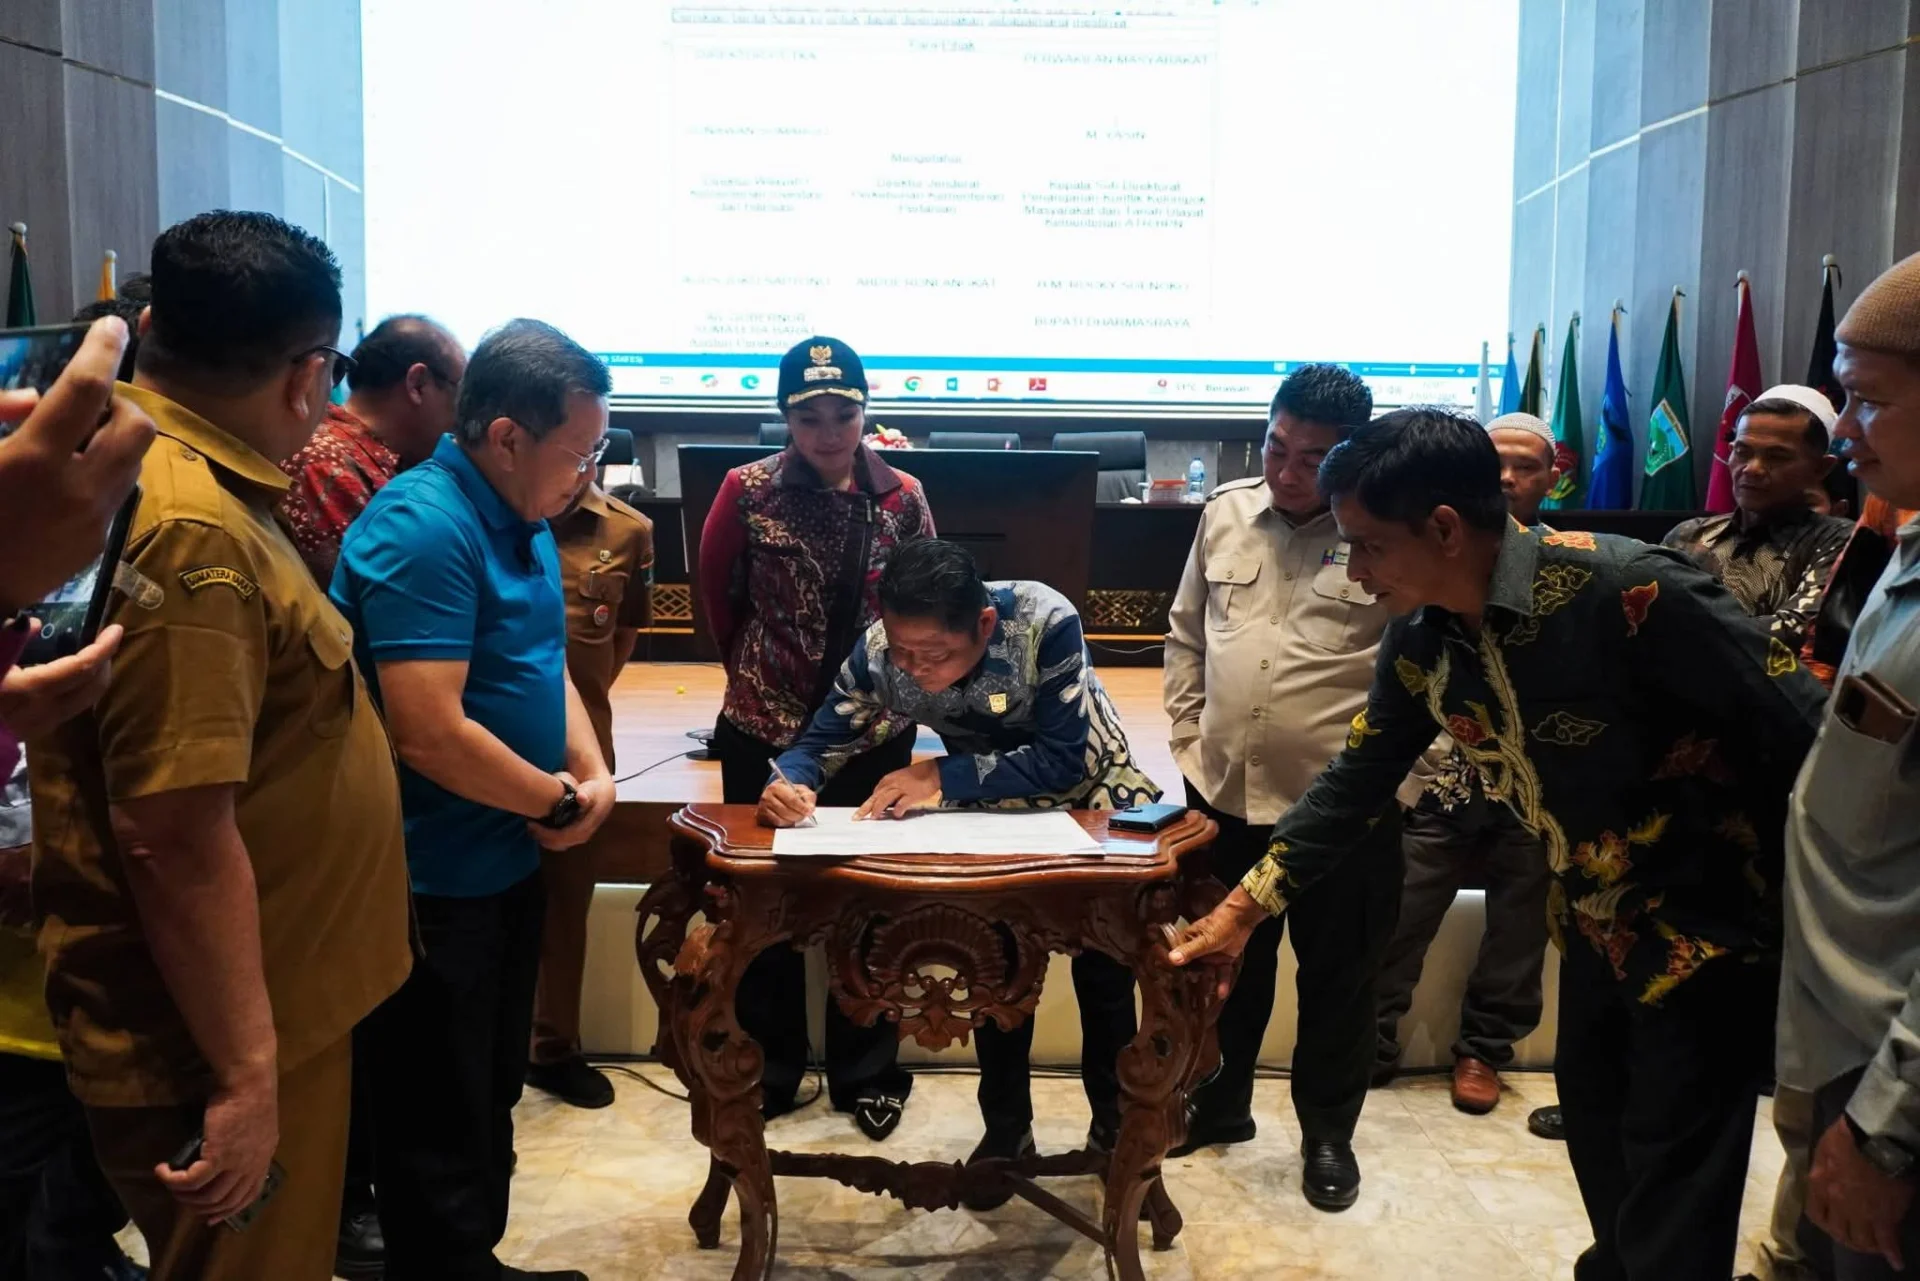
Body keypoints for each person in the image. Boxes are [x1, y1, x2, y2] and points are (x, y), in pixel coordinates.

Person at [1168, 408, 1825, 1281]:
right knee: (1601, 1147)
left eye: (1367, 546)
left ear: (1444, 528)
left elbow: (1810, 735)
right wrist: (1242, 910)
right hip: (1590, 929)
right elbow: (1356, 780)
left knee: (1676, 1191)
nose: (1354, 572)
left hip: (1708, 940)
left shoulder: (1630, 590)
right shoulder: (1422, 640)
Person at [26, 211, 414, 1281]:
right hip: (219, 1036)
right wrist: (245, 1076)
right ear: (308, 374)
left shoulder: (165, 478)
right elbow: (172, 831)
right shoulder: (191, 523)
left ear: (152, 329)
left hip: (260, 1006)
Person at [333, 318, 616, 1281]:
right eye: (580, 451)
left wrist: (590, 774)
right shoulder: (425, 526)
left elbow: (545, 664)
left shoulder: (521, 513)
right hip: (428, 875)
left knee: (489, 1087)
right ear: (505, 436)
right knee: (435, 1109)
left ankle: (472, 1262)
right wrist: (557, 800)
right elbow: (427, 730)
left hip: (504, 856)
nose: (589, 473)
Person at [759, 537, 1159, 1204]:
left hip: (1089, 801)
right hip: (987, 810)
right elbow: (823, 739)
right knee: (997, 967)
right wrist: (789, 781)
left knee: (1106, 972)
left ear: (983, 623)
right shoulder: (882, 650)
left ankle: (1118, 1134)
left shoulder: (1044, 621)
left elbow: (1066, 758)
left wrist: (938, 774)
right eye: (903, 651)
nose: (914, 669)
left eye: (935, 654)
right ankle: (1006, 1132)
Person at [1161, 363, 1432, 1209]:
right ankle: (1220, 1104)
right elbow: (1186, 634)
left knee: (1339, 982)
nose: (1285, 470)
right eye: (1276, 447)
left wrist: (1402, 787)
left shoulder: (1385, 532)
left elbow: (1429, 669)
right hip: (1225, 796)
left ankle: (1327, 1135)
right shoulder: (1224, 513)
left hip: (1345, 813)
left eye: (1311, 458)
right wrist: (1190, 744)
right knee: (1225, 967)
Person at [697, 336, 934, 1140]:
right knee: (764, 904)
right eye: (809, 416)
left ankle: (867, 1070)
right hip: (764, 727)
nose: (829, 431)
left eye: (844, 413)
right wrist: (765, 680)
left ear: (866, 412)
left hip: (872, 734)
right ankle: (771, 1065)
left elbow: (923, 604)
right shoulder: (747, 491)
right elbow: (720, 601)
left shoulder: (903, 497)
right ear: (785, 417)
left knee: (869, 902)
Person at [1777, 250, 1920, 1280]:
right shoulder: (1900, 549)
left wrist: (1885, 1129)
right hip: (1843, 1034)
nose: (1844, 431)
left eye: (1868, 399)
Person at [1374, 411, 1556, 1119]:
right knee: (1401, 911)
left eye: (1526, 467)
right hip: (1445, 781)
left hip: (1532, 795)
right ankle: (1372, 1040)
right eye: (1496, 463)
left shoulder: (1567, 571)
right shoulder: (1429, 576)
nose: (1508, 478)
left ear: (1551, 478)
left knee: (1519, 928)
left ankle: (1484, 1050)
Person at [527, 477, 654, 1109]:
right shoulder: (476, 513)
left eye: (592, 451)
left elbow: (622, 638)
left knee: (567, 901)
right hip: (475, 735)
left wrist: (580, 712)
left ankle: (552, 1048)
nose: (580, 466)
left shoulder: (627, 529)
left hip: (580, 753)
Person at [278, 314, 467, 585]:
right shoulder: (325, 463)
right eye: (459, 393)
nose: (462, 415)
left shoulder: (385, 460)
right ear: (418, 384)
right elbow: (381, 592)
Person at [1663, 385, 1853, 655]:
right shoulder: (1688, 535)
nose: (1752, 469)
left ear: (1821, 468)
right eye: (1743, 452)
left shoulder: (1839, 541)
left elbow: (1796, 632)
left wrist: (1676, 631)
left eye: (1777, 457)